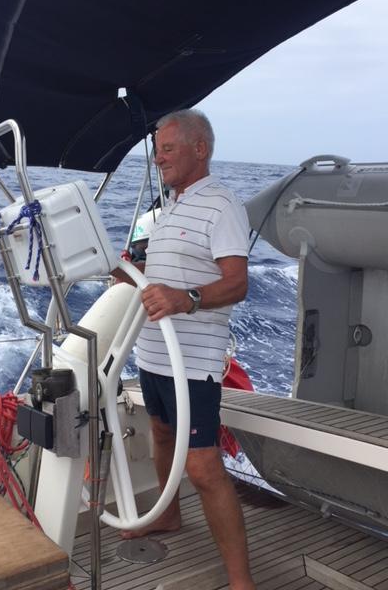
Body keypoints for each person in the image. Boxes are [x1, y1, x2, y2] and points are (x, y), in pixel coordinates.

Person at [116, 109, 254, 590]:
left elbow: (237, 283)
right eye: (158, 150)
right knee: (160, 434)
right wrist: (121, 270)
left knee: (202, 466)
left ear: (200, 149)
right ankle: (168, 514)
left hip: (192, 361)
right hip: (154, 353)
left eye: (168, 149)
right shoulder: (171, 206)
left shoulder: (222, 205)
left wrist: (187, 298)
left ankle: (241, 581)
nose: (159, 158)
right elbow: (161, 273)